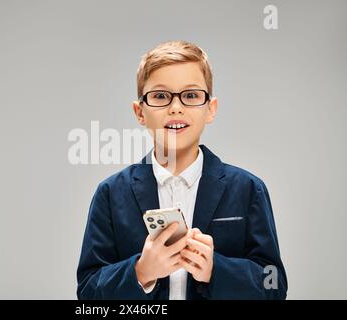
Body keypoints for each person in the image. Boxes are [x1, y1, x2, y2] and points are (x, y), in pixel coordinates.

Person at [76, 40, 287, 299]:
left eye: (190, 95)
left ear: (211, 108)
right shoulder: (110, 193)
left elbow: (274, 287)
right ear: (139, 112)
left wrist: (215, 269)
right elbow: (87, 293)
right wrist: (141, 271)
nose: (176, 107)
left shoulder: (248, 189)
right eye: (160, 96)